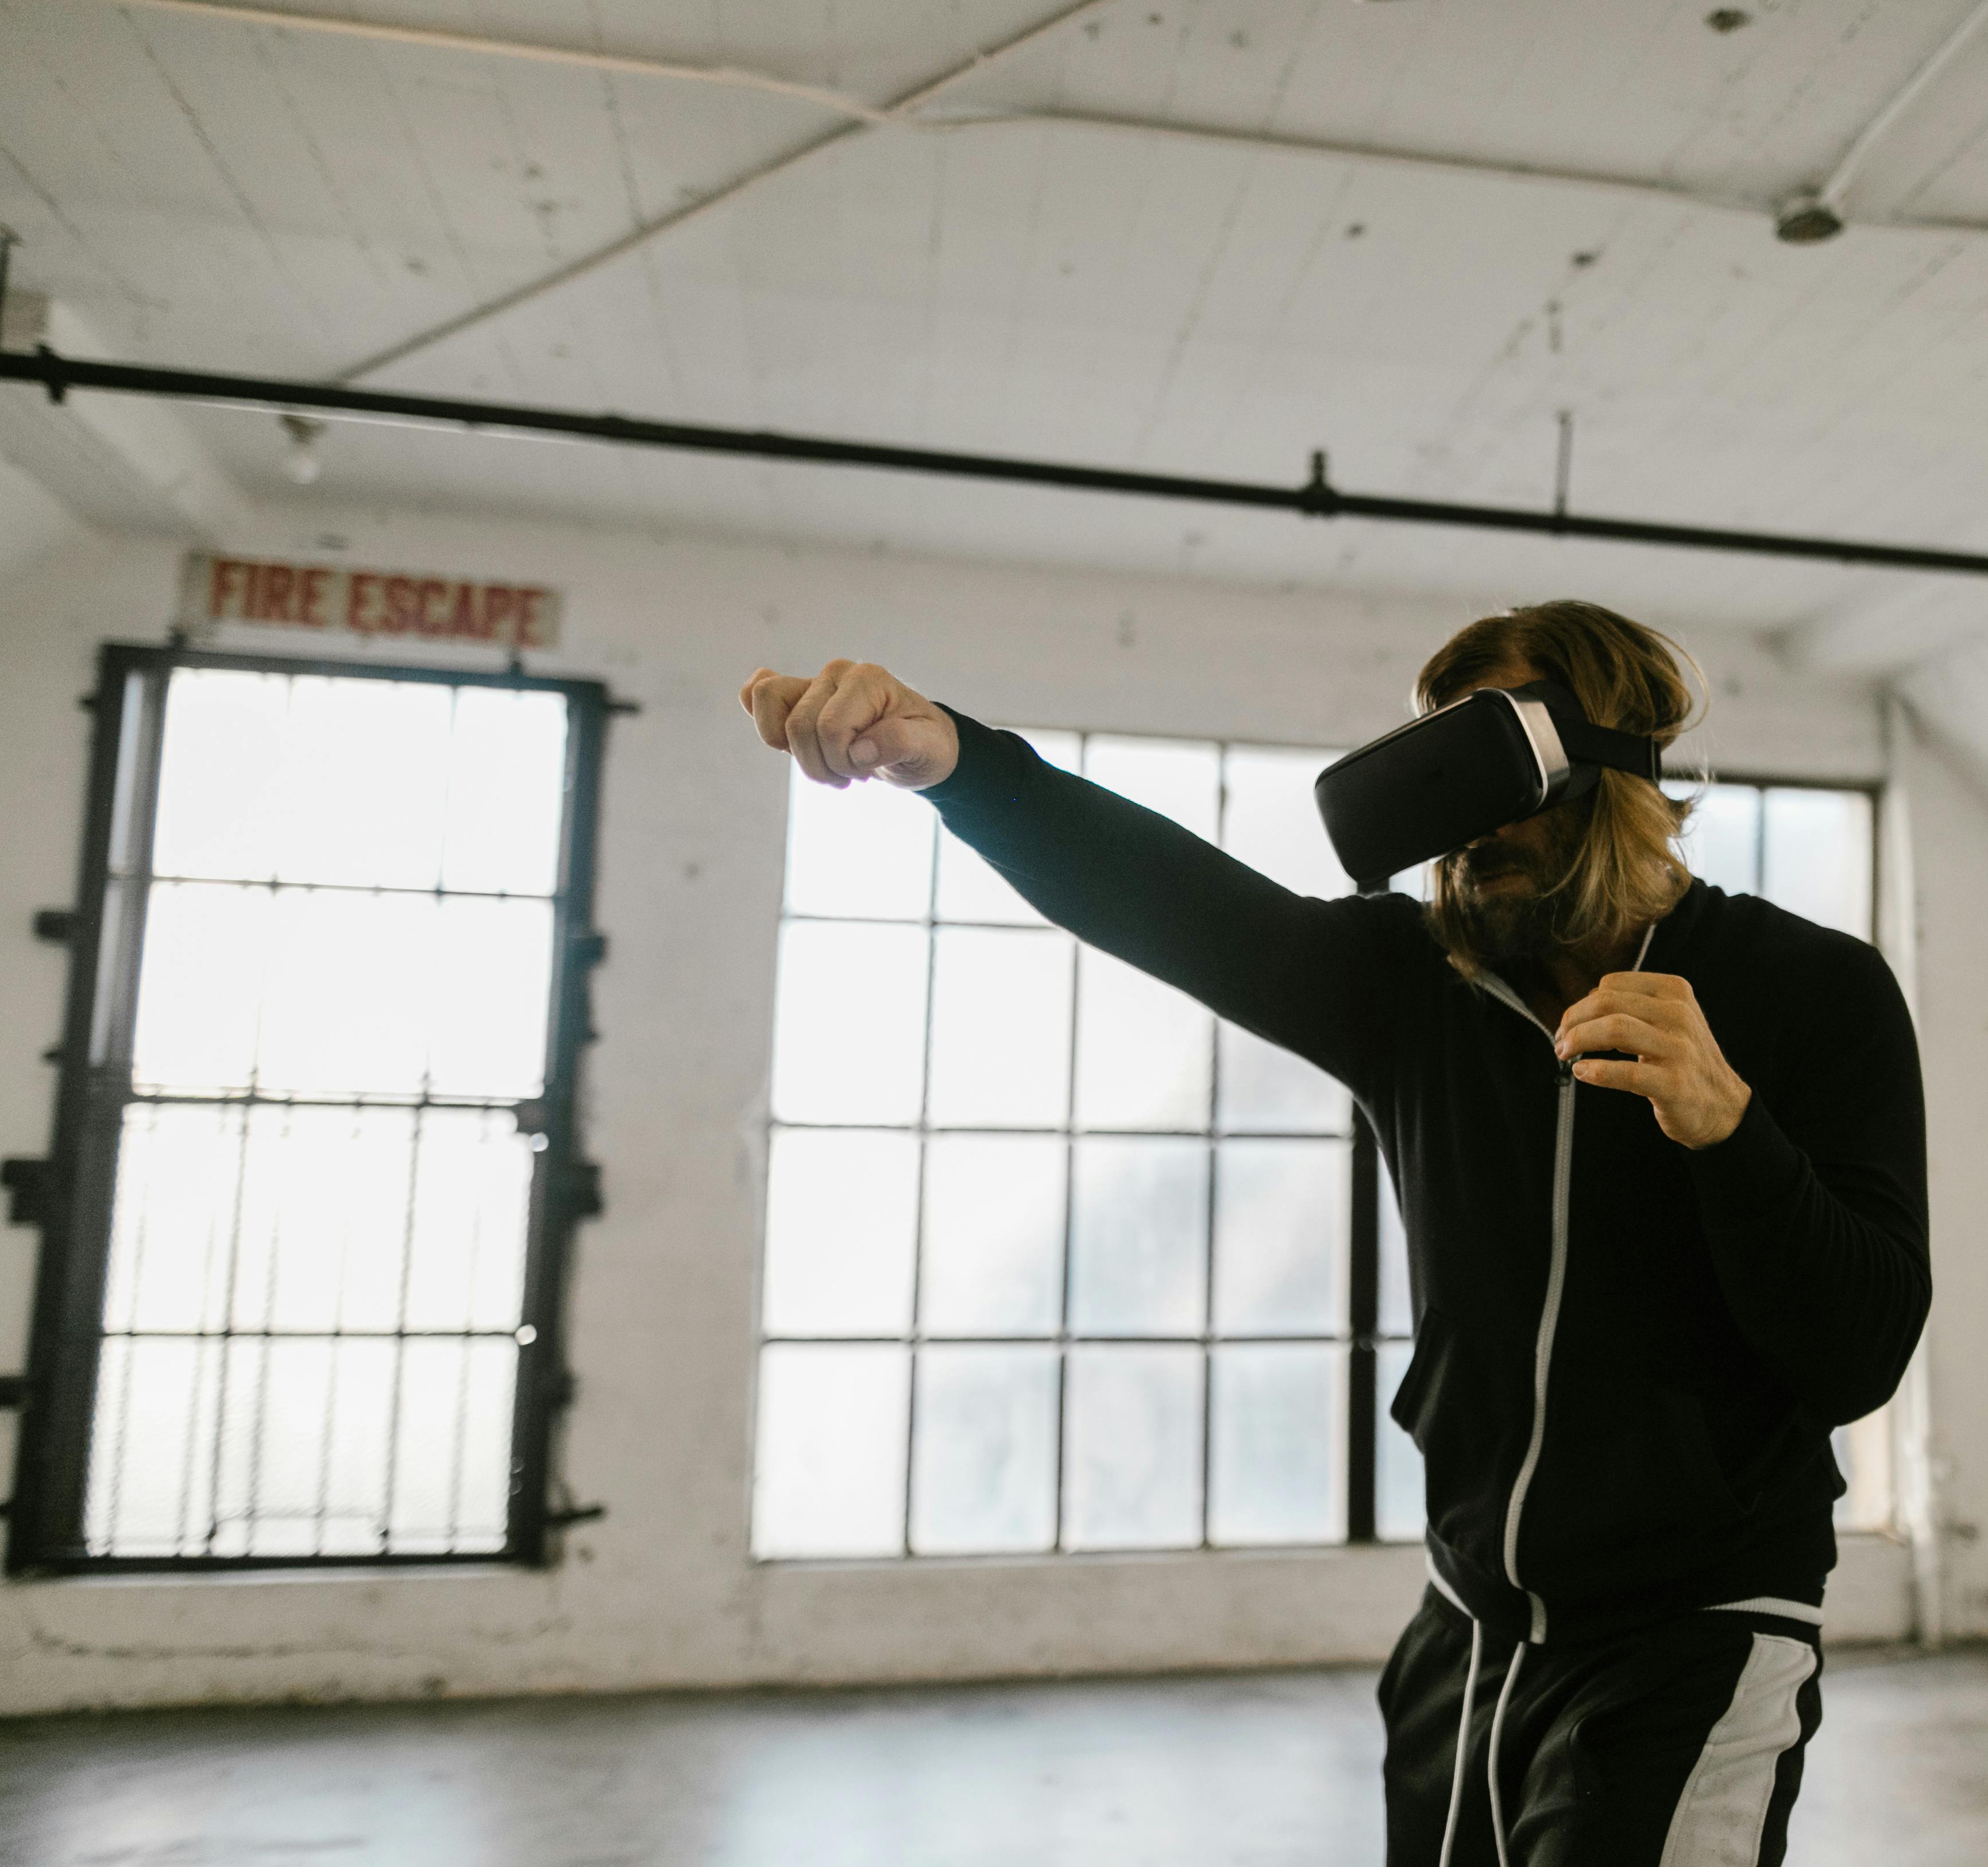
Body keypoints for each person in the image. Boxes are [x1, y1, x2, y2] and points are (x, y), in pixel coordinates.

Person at [740, 599, 1928, 1867]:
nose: (1460, 828)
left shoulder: (1811, 988)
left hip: (1692, 1638)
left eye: (1488, 767)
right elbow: (1171, 899)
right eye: (1429, 780)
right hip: (1460, 1634)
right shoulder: (1414, 985)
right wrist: (958, 763)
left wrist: (1730, 1128)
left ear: (1612, 758)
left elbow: (1858, 1354)